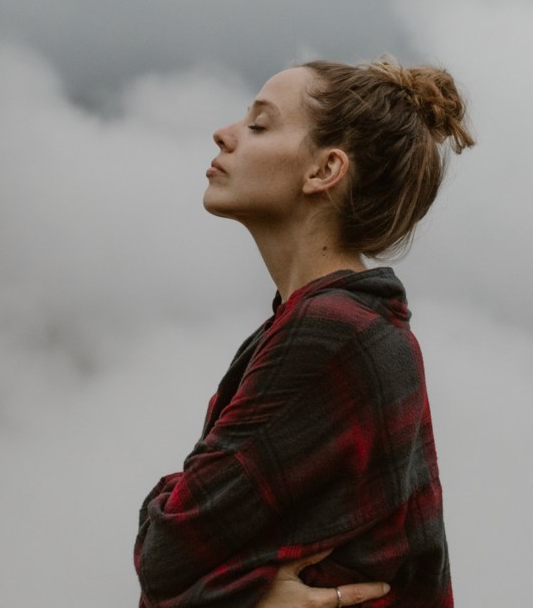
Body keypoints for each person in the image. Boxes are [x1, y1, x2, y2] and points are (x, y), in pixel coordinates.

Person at [135, 57, 474, 607]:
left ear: (324, 171)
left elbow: (168, 550)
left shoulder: (331, 333)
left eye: (259, 125)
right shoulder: (349, 322)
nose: (223, 135)